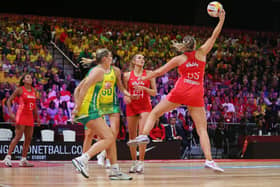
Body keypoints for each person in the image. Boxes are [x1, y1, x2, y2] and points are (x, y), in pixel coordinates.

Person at [127, 10, 226, 172]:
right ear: (194, 45)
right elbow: (214, 35)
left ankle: (144, 134)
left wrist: (143, 79)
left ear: (184, 46)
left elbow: (159, 72)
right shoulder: (202, 53)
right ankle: (209, 160)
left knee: (154, 113)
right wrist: (221, 20)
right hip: (196, 93)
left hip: (180, 91)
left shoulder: (179, 59)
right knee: (202, 129)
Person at [71, 48, 132, 180]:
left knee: (109, 136)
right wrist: (77, 107)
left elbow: (79, 88)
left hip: (93, 108)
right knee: (109, 138)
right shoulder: (98, 71)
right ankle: (83, 159)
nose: (112, 59)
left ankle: (115, 170)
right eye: (110, 56)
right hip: (88, 108)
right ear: (105, 59)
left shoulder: (101, 70)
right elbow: (83, 87)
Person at [123, 53, 157, 174]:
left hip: (145, 106)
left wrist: (144, 89)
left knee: (142, 135)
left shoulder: (149, 74)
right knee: (132, 137)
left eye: (143, 58)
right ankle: (134, 162)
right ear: (133, 61)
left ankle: (141, 163)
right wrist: (127, 97)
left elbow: (154, 93)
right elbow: (124, 92)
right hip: (132, 106)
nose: (142, 59)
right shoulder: (127, 76)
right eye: (139, 58)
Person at [3, 73, 40, 167]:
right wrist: (11, 113)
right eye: (28, 77)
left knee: (28, 138)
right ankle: (7, 157)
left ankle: (23, 159)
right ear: (23, 80)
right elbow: (9, 101)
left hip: (30, 116)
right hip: (21, 115)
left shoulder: (34, 90)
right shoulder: (20, 89)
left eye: (31, 77)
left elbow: (34, 105)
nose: (30, 79)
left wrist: (37, 117)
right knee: (18, 137)